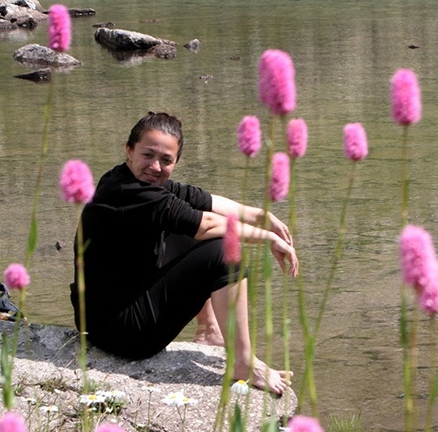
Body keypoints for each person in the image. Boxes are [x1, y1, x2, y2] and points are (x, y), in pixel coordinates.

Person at [70, 112, 297, 395]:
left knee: (185, 228)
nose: (156, 166)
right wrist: (270, 239)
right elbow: (209, 224)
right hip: (122, 334)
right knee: (224, 250)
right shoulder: (130, 193)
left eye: (166, 160)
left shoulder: (128, 180)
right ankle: (242, 363)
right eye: (148, 155)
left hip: (104, 316)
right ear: (129, 150)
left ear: (175, 161)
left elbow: (204, 200)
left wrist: (260, 215)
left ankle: (210, 330)